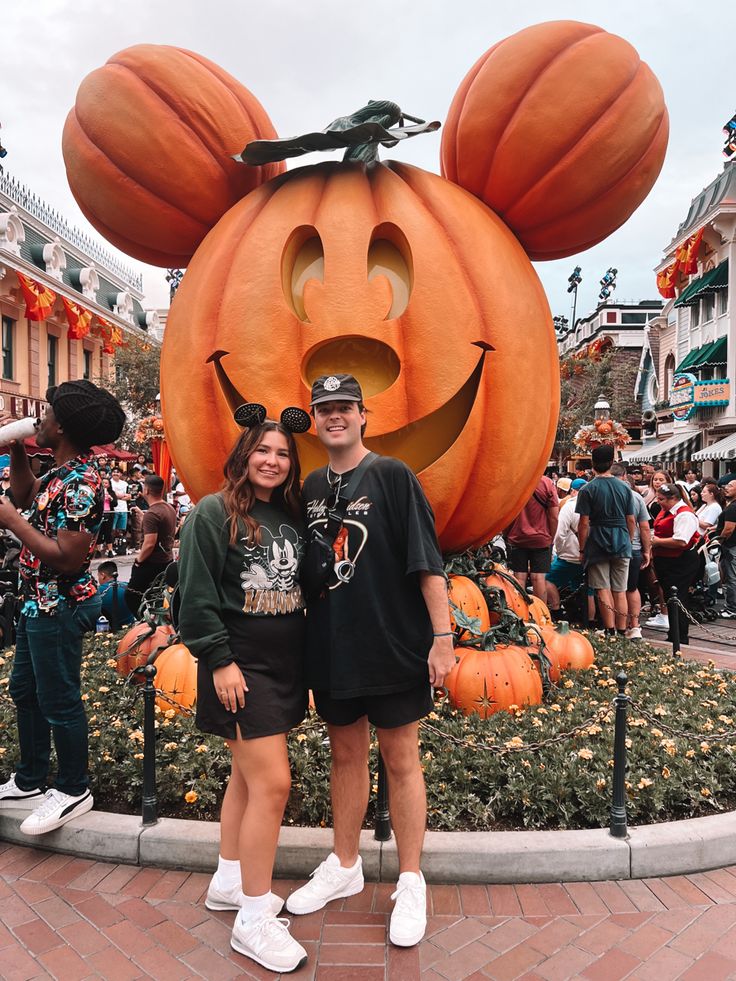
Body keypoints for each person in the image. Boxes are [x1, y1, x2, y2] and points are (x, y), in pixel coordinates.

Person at [287, 374, 453, 949]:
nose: (334, 416)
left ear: (363, 415)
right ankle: (344, 861)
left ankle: (410, 878)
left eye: (343, 407)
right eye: (323, 408)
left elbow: (426, 561)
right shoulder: (308, 487)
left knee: (401, 757)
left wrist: (443, 636)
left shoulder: (391, 475)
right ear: (314, 417)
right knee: (344, 754)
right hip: (332, 645)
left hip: (392, 640)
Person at [178, 415, 309, 973]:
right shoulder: (214, 512)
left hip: (283, 667)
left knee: (245, 780)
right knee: (273, 785)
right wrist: (219, 660)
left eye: (282, 453)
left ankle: (229, 882)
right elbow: (196, 594)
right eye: (263, 450)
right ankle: (253, 920)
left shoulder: (289, 515)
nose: (272, 460)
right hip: (240, 666)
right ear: (244, 453)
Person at [0, 380, 125, 834]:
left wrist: (13, 524)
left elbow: (69, 558)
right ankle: (31, 778)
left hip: (60, 607)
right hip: (37, 604)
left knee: (60, 700)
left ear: (64, 426)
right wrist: (17, 453)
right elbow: (28, 495)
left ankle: (74, 788)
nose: (41, 419)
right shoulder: (60, 471)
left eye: (48, 413)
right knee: (25, 692)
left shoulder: (83, 483)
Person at [575, 445, 635, 637]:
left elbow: (583, 524)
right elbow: (631, 519)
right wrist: (629, 539)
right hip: (622, 540)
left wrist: (582, 549)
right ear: (612, 463)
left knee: (602, 588)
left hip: (598, 540)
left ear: (593, 464)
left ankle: (609, 631)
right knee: (620, 589)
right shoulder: (625, 488)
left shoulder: (587, 489)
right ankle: (622, 629)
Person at [651, 483, 701, 645]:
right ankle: (674, 634)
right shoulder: (668, 511)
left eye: (662, 499)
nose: (658, 502)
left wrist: (657, 542)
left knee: (677, 597)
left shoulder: (684, 514)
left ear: (673, 498)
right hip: (667, 561)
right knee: (670, 597)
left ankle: (680, 637)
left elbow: (681, 541)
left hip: (680, 561)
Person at [125, 474, 176, 617]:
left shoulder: (152, 514)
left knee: (132, 596)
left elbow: (149, 543)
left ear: (146, 490)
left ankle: (146, 625)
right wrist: (143, 516)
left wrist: (138, 561)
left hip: (151, 563)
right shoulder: (168, 508)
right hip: (166, 560)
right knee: (158, 596)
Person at [611, 465, 651, 640]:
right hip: (634, 548)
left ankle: (614, 625)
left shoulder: (608, 494)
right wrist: (646, 550)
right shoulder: (635, 497)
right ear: (625, 476)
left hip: (612, 547)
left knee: (615, 589)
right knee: (631, 588)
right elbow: (644, 527)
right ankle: (634, 626)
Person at [505, 475, 559, 602]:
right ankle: (541, 615)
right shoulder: (547, 483)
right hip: (541, 538)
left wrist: (506, 534)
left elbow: (506, 514)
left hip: (517, 536)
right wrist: (550, 537)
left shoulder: (515, 482)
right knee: (538, 578)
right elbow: (554, 517)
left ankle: (520, 614)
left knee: (519, 576)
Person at [546, 478, 587, 617]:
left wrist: (558, 551)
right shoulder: (594, 504)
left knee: (547, 580)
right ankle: (584, 615)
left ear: (573, 491)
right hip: (590, 556)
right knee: (580, 585)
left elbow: (559, 534)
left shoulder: (569, 506)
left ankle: (557, 610)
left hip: (570, 556)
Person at [715, 479, 736, 619]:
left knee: (732, 577)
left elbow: (728, 529)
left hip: (731, 546)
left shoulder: (733, 507)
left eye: (730, 486)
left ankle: (732, 608)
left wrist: (719, 541)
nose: (726, 488)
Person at [97, 560, 135, 631]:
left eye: (98, 576)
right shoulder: (127, 586)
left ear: (102, 575)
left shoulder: (98, 591)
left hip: (110, 630)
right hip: (131, 628)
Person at [110, 466, 130, 554]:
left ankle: (120, 547)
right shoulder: (109, 482)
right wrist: (122, 496)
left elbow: (129, 496)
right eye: (114, 472)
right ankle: (111, 547)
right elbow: (112, 494)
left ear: (121, 474)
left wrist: (119, 496)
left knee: (122, 529)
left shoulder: (125, 483)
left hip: (124, 509)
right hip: (114, 509)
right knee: (112, 529)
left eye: (117, 472)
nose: (115, 473)